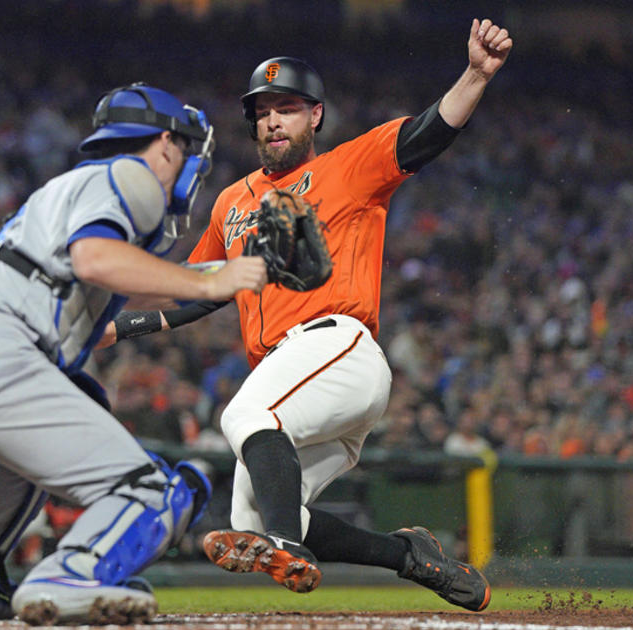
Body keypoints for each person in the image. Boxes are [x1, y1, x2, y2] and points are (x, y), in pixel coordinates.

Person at [100, 18, 512, 611]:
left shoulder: (349, 167)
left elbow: (429, 131)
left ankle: (288, 545)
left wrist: (475, 75)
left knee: (244, 415)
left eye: (287, 108)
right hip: (296, 379)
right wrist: (122, 324)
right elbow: (199, 292)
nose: (272, 119)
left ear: (314, 116)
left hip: (336, 348)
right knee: (252, 516)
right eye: (263, 110)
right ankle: (410, 555)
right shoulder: (230, 203)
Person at [0, 83, 267, 625]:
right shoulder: (134, 176)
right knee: (156, 491)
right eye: (183, 149)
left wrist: (239, 275)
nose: (185, 162)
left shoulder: (73, 188)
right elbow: (96, 260)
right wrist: (212, 284)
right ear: (164, 142)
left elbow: (126, 284)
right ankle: (71, 574)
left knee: (64, 413)